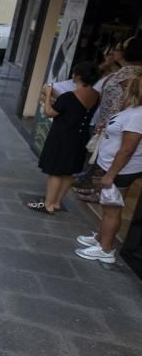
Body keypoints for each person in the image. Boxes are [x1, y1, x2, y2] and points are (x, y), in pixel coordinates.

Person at [75, 74, 142, 264]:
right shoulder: (132, 111)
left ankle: (106, 249)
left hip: (120, 171)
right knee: (107, 207)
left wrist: (111, 174)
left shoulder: (138, 116)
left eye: (124, 87)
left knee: (112, 209)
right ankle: (100, 238)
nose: (120, 90)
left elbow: (128, 148)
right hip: (111, 167)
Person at [28, 62, 100, 214]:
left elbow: (49, 112)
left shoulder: (69, 96)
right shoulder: (95, 95)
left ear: (78, 76)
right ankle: (57, 202)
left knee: (55, 171)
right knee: (69, 172)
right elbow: (74, 107)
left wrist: (48, 94)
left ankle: (48, 204)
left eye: (74, 73)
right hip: (80, 137)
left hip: (63, 136)